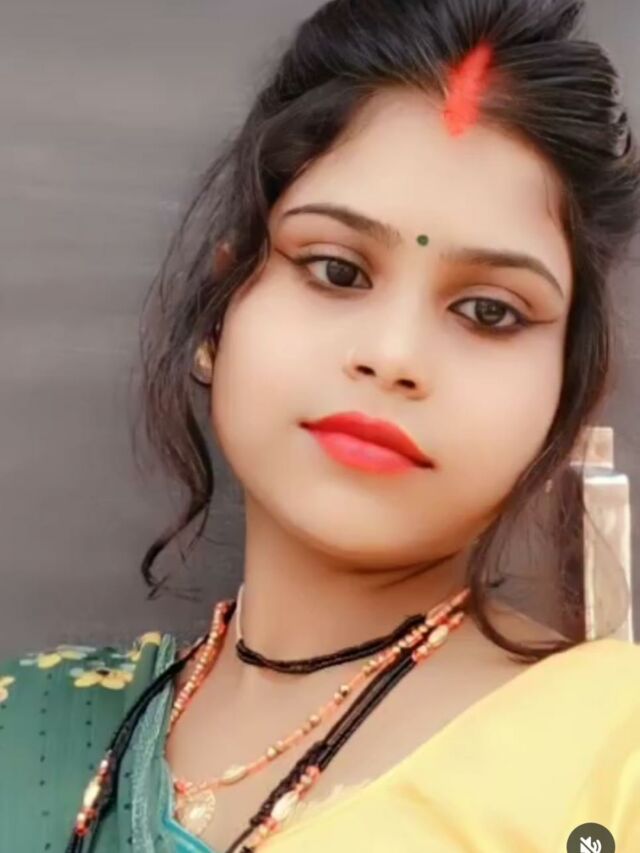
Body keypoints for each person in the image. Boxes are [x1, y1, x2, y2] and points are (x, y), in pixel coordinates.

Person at [2, 0, 640, 850]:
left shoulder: (611, 758)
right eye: (336, 270)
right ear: (220, 314)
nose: (392, 354)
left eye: (489, 311)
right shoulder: (28, 731)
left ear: (569, 393)